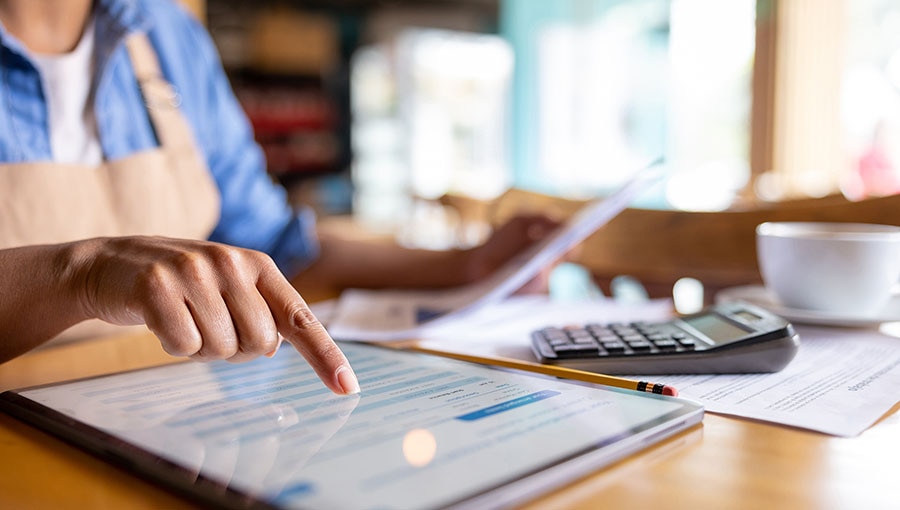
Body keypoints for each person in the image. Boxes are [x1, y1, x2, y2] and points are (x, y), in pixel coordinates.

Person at [0, 0, 558, 395]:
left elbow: (272, 247)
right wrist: (81, 275)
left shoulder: (169, 36)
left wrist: (470, 264)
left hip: (165, 425)